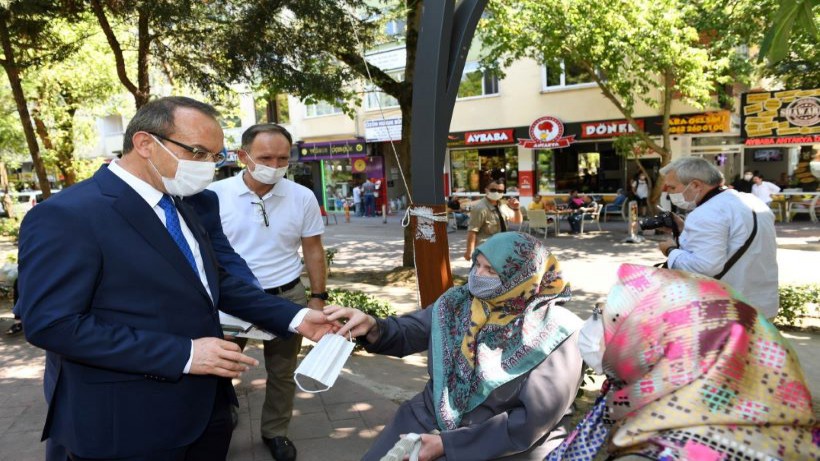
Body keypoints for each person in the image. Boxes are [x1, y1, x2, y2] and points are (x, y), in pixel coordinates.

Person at [15, 96, 337, 461]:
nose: (207, 167)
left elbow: (214, 280)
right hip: (127, 420)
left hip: (205, 411)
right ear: (145, 144)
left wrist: (295, 317)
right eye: (197, 152)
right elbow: (52, 325)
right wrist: (183, 353)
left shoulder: (192, 201)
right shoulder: (68, 215)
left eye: (214, 157)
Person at [327, 232, 584, 460]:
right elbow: (411, 330)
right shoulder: (458, 303)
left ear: (523, 278)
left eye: (491, 271)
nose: (477, 276)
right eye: (477, 264)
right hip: (430, 416)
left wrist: (447, 444)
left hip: (498, 443)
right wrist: (372, 327)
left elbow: (532, 420)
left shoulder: (557, 332)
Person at [550, 264, 817, 461]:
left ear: (652, 347)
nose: (597, 328)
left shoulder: (654, 451)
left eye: (609, 319)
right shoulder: (777, 430)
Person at [208, 123, 326, 461]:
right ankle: (221, 415)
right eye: (265, 157)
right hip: (233, 301)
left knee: (283, 373)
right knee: (220, 368)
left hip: (286, 298)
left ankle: (275, 432)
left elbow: (313, 249)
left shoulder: (301, 196)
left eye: (282, 158)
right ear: (243, 156)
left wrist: (318, 296)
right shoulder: (213, 196)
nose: (274, 165)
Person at [657, 156, 779, 319]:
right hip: (763, 306)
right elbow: (734, 239)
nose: (668, 192)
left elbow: (704, 267)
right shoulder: (752, 201)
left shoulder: (706, 212)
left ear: (695, 185)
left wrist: (670, 250)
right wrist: (683, 229)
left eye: (672, 187)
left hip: (729, 313)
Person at [463, 180, 522, 260]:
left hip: (501, 247)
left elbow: (517, 221)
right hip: (486, 250)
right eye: (493, 190)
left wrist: (516, 209)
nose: (497, 193)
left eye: (500, 191)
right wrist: (469, 251)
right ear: (486, 190)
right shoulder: (480, 208)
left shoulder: (502, 206)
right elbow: (472, 231)